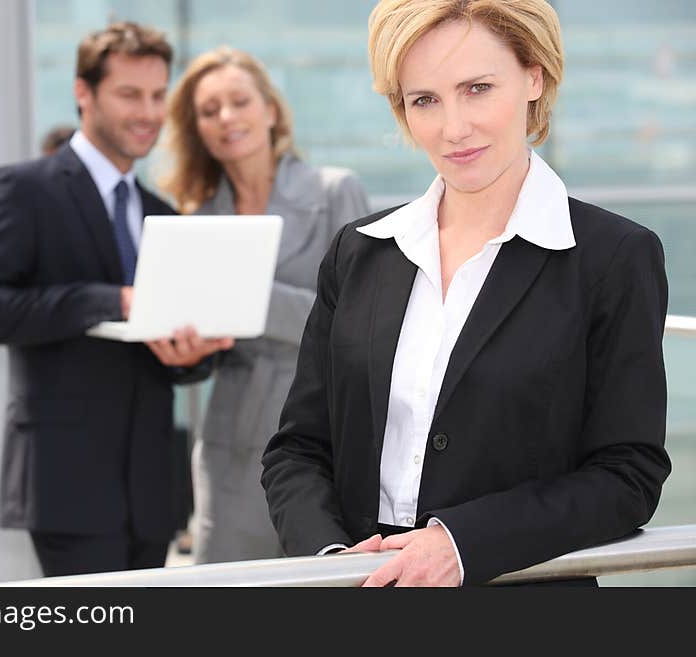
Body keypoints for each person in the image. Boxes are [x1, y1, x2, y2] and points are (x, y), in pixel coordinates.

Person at [261, 0, 671, 587]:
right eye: (424, 99)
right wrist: (330, 560)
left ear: (534, 76)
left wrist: (462, 543)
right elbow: (297, 450)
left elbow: (628, 475)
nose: (452, 128)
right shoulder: (362, 251)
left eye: (477, 88)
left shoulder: (612, 257)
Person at [0, 21, 232, 577]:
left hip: (152, 485)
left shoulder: (161, 212)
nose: (148, 112)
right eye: (129, 95)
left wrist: (193, 356)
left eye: (158, 96)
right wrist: (112, 300)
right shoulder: (24, 188)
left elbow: (169, 344)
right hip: (67, 481)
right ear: (84, 92)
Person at [160, 46, 371, 564]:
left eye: (239, 101)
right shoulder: (198, 222)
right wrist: (189, 350)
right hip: (231, 443)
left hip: (325, 436)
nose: (226, 118)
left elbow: (360, 318)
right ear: (198, 130)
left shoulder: (334, 191)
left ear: (270, 110)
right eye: (209, 112)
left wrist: (243, 296)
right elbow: (205, 342)